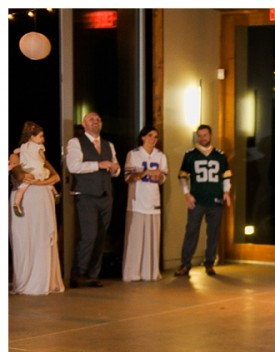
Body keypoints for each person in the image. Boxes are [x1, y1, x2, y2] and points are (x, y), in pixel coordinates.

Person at [66, 111, 121, 288]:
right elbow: (73, 166)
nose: (95, 121)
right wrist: (99, 165)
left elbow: (116, 169)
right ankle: (78, 273)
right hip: (86, 195)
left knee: (101, 236)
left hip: (106, 195)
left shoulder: (108, 145)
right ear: (84, 124)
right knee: (88, 235)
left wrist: (115, 169)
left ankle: (93, 274)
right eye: (91, 119)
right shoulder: (75, 143)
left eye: (98, 119)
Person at [9, 133, 65, 295]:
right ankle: (26, 281)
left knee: (42, 237)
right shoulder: (16, 155)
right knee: (25, 239)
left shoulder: (42, 157)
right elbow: (19, 174)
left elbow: (56, 176)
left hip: (42, 197)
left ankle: (44, 281)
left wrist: (42, 182)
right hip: (27, 197)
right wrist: (24, 175)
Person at [174, 124, 232, 277]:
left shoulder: (220, 155)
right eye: (199, 135)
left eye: (205, 135)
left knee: (213, 233)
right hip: (197, 200)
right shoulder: (190, 154)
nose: (202, 138)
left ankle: (209, 263)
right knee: (191, 231)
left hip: (216, 200)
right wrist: (187, 194)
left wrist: (226, 193)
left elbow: (226, 177)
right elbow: (182, 176)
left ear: (210, 135)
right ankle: (185, 264)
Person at [121, 126, 168, 282]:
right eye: (149, 135)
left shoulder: (160, 156)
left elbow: (163, 178)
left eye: (155, 136)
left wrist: (158, 177)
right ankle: (132, 273)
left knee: (152, 238)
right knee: (135, 238)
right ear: (142, 137)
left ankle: (150, 272)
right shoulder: (133, 154)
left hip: (153, 200)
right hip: (136, 202)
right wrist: (145, 172)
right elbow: (128, 177)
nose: (153, 139)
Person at [13, 122, 57, 217]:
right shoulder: (39, 147)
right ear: (32, 137)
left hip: (28, 169)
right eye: (40, 136)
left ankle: (16, 203)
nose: (43, 139)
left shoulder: (23, 146)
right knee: (46, 179)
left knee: (23, 187)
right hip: (37, 169)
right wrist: (42, 160)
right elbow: (43, 158)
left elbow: (15, 151)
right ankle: (55, 192)